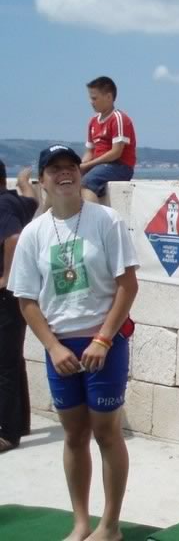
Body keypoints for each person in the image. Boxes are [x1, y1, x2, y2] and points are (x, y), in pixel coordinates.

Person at [8, 144, 139, 541]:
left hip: (104, 343)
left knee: (106, 432)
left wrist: (103, 339)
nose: (64, 174)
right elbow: (26, 300)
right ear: (42, 181)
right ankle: (80, 522)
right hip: (61, 348)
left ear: (80, 174)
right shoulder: (34, 233)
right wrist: (52, 347)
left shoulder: (106, 220)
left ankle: (110, 525)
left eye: (71, 167)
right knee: (74, 434)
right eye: (55, 169)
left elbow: (127, 285)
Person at [0, 163, 38, 452]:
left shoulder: (2, 206)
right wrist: (25, 182)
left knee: (4, 364)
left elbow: (13, 237)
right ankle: (20, 423)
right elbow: (33, 200)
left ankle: (7, 432)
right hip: (18, 293)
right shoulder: (16, 201)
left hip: (6, 295)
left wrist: (5, 277)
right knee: (12, 358)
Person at [81, 76, 137, 204]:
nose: (91, 102)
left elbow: (116, 153)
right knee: (65, 181)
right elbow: (89, 151)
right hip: (99, 166)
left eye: (94, 98)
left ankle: (92, 216)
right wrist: (79, 166)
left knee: (85, 184)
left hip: (119, 166)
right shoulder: (93, 121)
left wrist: (88, 165)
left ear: (108, 97)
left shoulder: (118, 118)